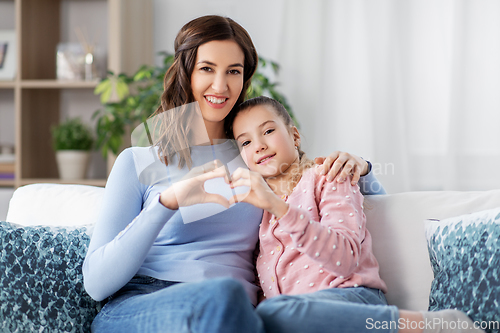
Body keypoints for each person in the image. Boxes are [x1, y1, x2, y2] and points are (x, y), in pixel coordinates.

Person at [83, 15, 385, 333]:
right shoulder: (138, 160)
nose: (220, 85)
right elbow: (96, 283)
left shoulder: (257, 156)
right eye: (207, 69)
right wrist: (166, 203)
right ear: (186, 73)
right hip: (143, 305)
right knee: (224, 296)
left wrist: (361, 170)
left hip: (236, 312)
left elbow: (358, 210)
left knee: (233, 300)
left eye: (233, 71)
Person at [226, 96, 485, 333]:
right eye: (246, 142)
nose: (258, 146)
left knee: (274, 311)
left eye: (268, 131)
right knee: (262, 316)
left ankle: (431, 325)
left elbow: (345, 258)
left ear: (294, 136)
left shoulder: (328, 176)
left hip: (353, 299)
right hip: (303, 321)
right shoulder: (257, 213)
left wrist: (280, 209)